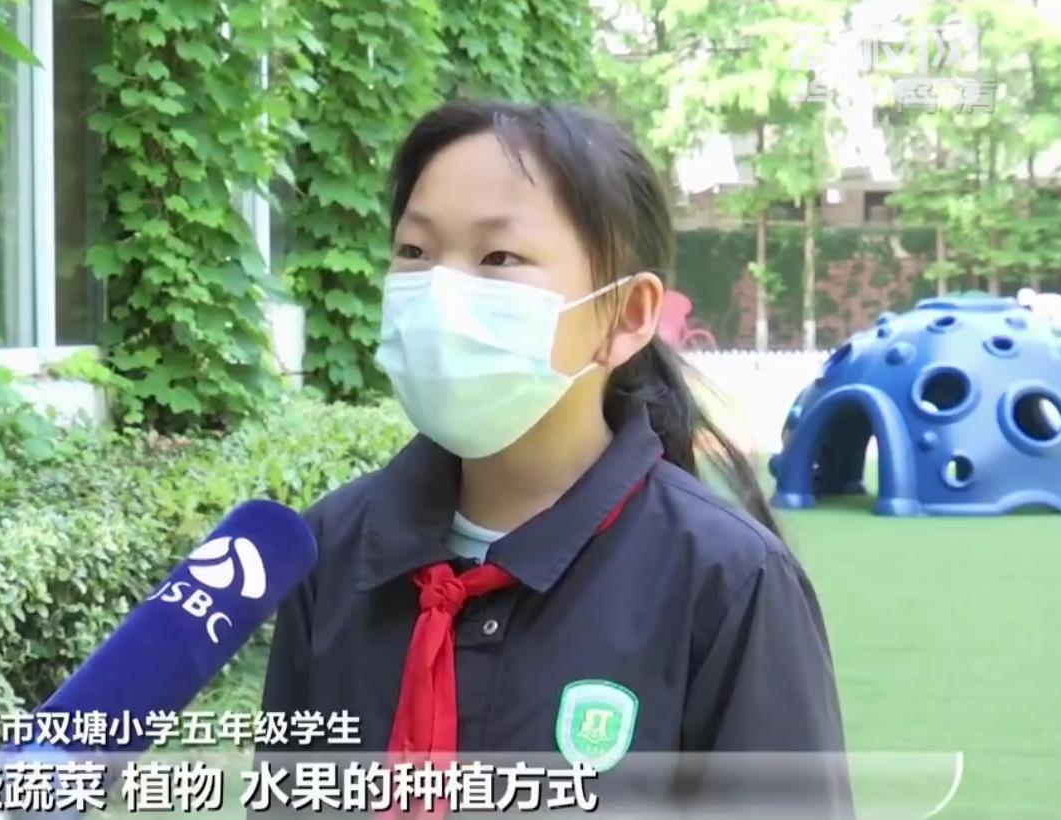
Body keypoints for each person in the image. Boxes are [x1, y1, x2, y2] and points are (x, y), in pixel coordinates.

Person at [257, 100, 852, 817]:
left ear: (627, 315)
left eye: (498, 257)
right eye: (414, 251)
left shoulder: (726, 579)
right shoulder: (330, 548)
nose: (441, 292)